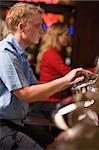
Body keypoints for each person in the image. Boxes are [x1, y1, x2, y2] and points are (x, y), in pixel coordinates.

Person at [0, 2, 92, 150]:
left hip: (17, 121)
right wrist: (65, 79)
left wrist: (71, 81)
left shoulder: (20, 55)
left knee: (57, 143)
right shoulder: (6, 54)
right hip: (3, 125)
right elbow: (26, 94)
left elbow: (36, 87)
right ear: (22, 27)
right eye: (37, 26)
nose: (42, 32)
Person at [36, 22, 72, 102]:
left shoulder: (52, 52)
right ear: (57, 36)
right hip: (48, 100)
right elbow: (67, 72)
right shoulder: (50, 53)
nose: (68, 37)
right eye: (66, 34)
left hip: (51, 96)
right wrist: (89, 71)